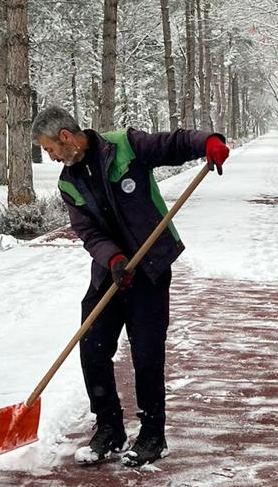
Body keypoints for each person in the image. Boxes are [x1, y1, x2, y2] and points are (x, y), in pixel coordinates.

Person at [33, 104, 230, 468]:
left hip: (150, 267)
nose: (52, 157)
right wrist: (113, 260)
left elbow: (173, 144)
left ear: (65, 137)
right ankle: (109, 428)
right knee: (91, 346)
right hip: (110, 271)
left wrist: (208, 142)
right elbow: (87, 230)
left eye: (50, 149)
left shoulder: (125, 145)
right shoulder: (68, 182)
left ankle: (153, 434)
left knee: (146, 354)